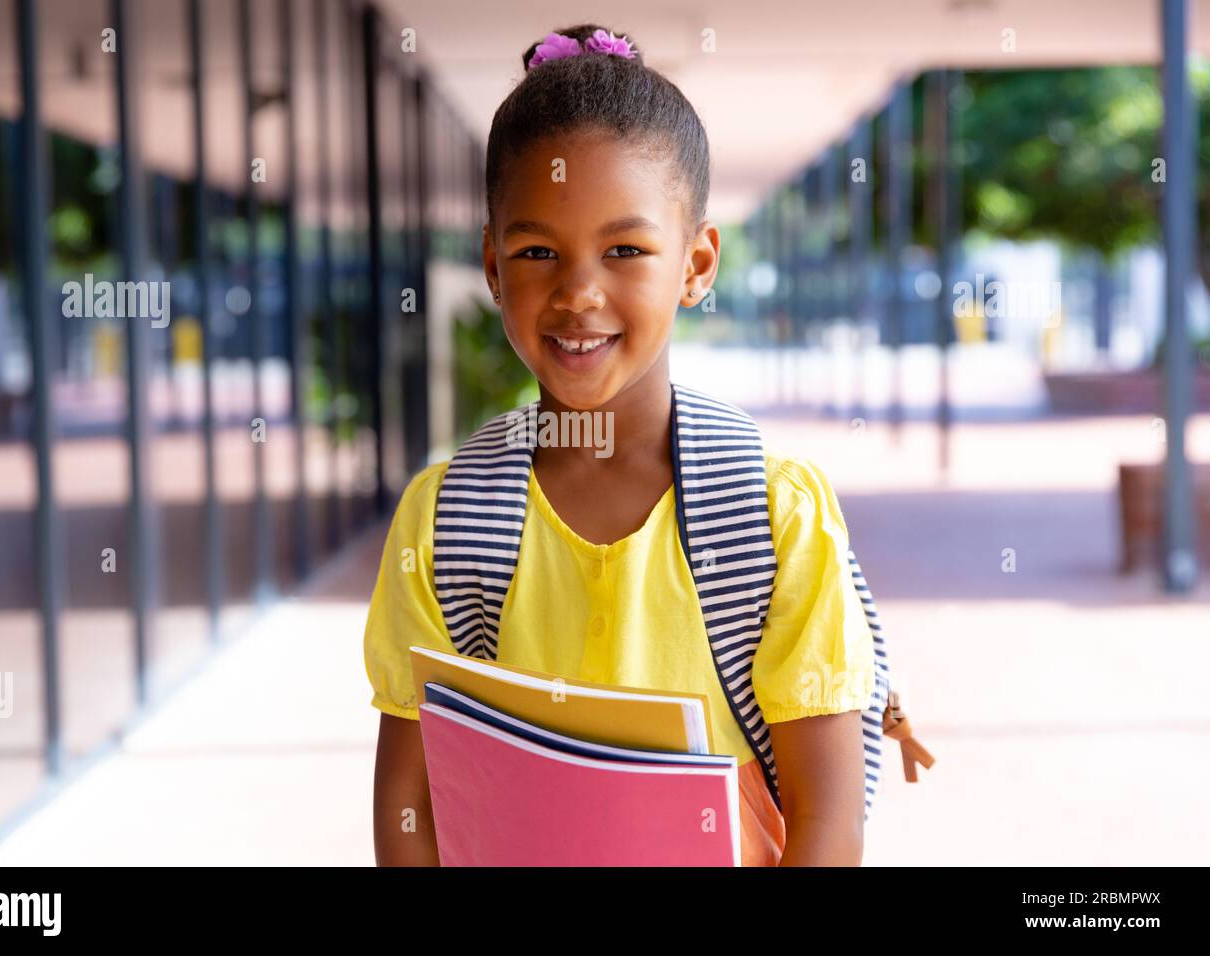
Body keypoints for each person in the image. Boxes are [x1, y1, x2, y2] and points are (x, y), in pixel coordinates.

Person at [364, 23, 875, 866]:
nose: (577, 294)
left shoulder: (772, 515)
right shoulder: (445, 522)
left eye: (625, 250)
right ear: (493, 267)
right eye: (537, 252)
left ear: (697, 263)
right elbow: (409, 808)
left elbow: (828, 823)